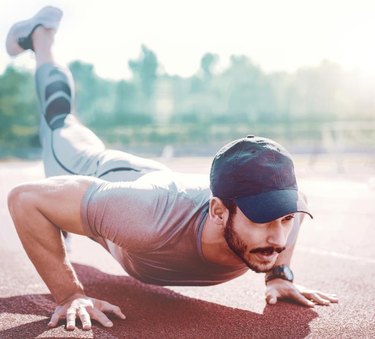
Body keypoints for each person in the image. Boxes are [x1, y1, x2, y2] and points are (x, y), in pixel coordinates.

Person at [6, 6, 338, 332]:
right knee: (60, 120)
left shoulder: (286, 214)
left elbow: (291, 208)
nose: (279, 237)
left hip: (157, 187)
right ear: (218, 210)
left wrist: (279, 275)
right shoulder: (146, 216)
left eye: (285, 217)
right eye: (261, 216)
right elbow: (25, 199)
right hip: (107, 174)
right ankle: (42, 39)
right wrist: (69, 294)